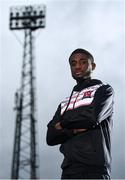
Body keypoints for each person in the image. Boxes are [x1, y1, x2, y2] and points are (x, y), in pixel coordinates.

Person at [46, 48, 114, 179]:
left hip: (94, 169)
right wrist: (73, 131)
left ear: (92, 66)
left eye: (83, 62)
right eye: (73, 63)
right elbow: (50, 137)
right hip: (68, 170)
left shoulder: (104, 90)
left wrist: (64, 123)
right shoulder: (64, 103)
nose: (77, 66)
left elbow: (92, 118)